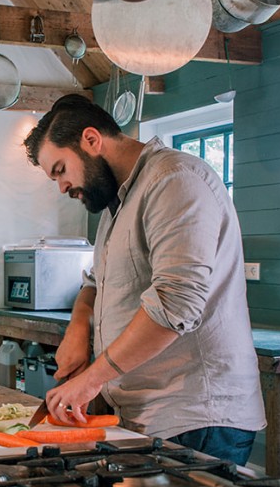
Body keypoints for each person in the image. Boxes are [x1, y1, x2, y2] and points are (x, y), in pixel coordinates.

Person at [22, 94, 266, 465]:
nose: (62, 187)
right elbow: (94, 282)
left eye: (60, 170)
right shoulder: (115, 204)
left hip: (196, 419)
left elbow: (175, 303)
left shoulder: (175, 180)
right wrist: (78, 327)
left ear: (91, 140)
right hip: (146, 416)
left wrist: (90, 380)